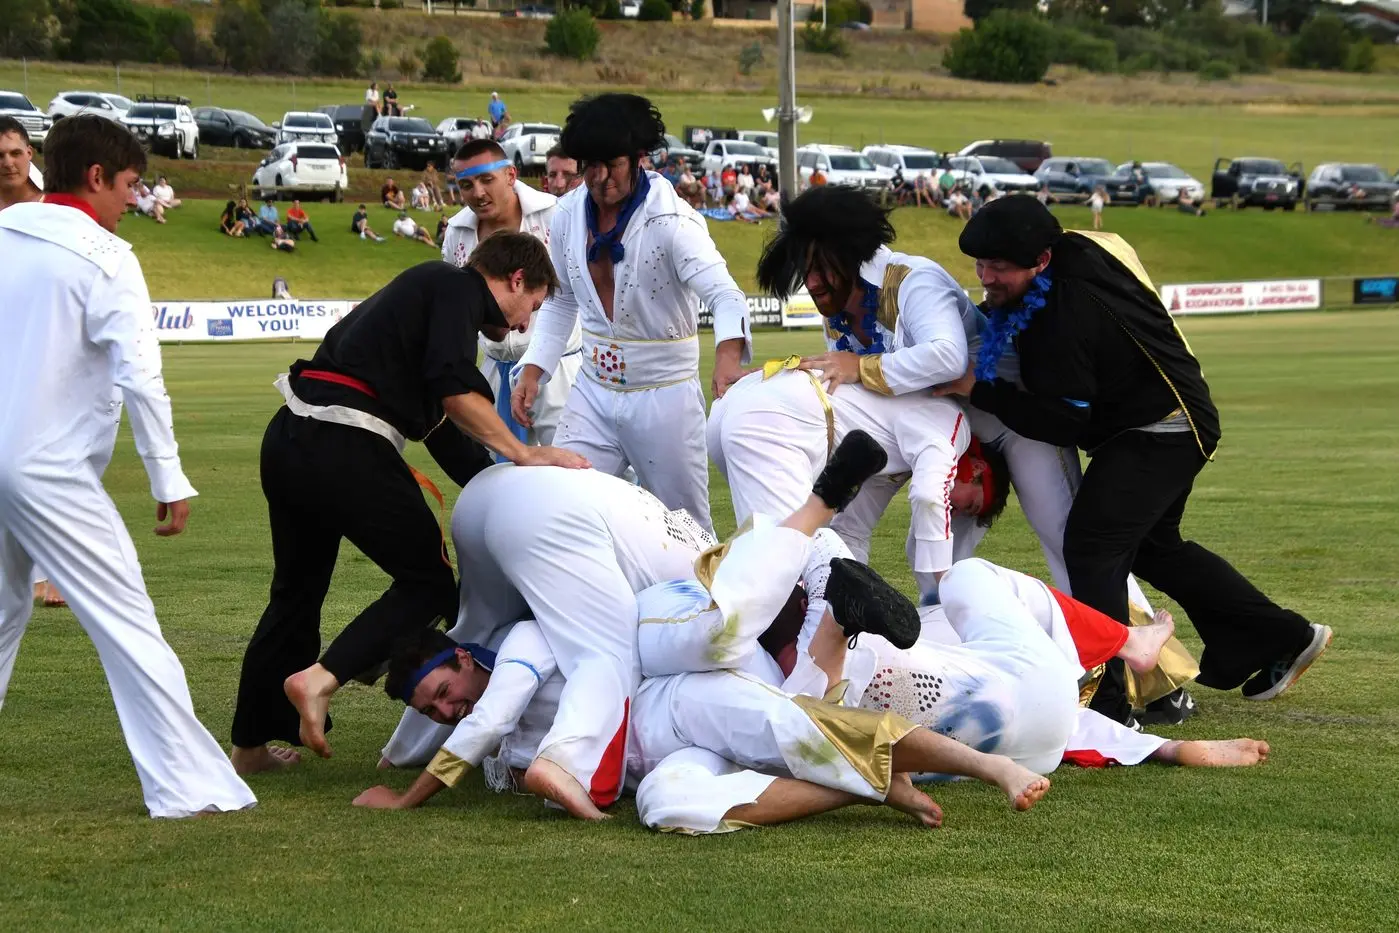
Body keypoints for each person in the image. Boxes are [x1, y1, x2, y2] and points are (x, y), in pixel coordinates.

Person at [946, 196, 1330, 721]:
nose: (986, 277)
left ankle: (1108, 699)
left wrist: (978, 389)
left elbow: (1062, 420)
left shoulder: (1063, 313)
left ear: (1041, 261)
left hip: (1159, 430)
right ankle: (1283, 635)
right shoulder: (1076, 248)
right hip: (1174, 416)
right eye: (981, 265)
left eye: (1000, 268)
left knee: (1089, 547)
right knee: (1153, 549)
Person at [229, 239, 590, 776]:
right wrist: (524, 452)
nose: (521, 326)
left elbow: (442, 430)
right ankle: (320, 680)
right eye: (532, 307)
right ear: (516, 279)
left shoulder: (427, 301)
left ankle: (250, 748)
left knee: (296, 593)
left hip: (289, 441)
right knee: (428, 581)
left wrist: (504, 479)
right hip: (342, 443)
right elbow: (453, 391)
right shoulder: (452, 286)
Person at [0, 115, 256, 819]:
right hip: (48, 470)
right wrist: (167, 478)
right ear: (96, 178)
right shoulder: (108, 257)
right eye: (131, 186)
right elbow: (142, 377)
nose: (132, 201)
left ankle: (185, 780)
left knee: (1, 612)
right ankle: (188, 786)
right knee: (127, 623)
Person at [511, 94, 752, 536]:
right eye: (589, 165)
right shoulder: (566, 214)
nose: (599, 178)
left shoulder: (673, 221)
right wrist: (534, 368)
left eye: (611, 164)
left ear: (639, 158)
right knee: (559, 506)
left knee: (686, 530)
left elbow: (726, 296)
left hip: (665, 397)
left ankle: (707, 605)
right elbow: (563, 297)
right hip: (592, 389)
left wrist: (728, 358)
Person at [791, 556, 1270, 777]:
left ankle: (1142, 694)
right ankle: (1130, 643)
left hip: (1013, 748)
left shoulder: (761, 683)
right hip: (1035, 720)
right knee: (966, 575)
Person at [754, 187, 980, 582]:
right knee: (843, 525)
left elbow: (948, 356)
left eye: (823, 268)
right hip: (913, 421)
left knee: (1053, 525)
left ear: (853, 257)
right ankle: (845, 629)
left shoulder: (914, 279)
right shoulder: (837, 310)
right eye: (805, 270)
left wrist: (861, 366)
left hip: (999, 419)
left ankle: (1116, 630)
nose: (813, 283)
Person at [708, 362, 991, 593]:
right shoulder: (955, 425)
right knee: (784, 578)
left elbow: (851, 531)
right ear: (978, 469)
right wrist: (941, 589)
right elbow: (930, 496)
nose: (955, 512)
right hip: (775, 419)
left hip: (747, 405)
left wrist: (854, 596)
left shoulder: (897, 455)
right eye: (971, 505)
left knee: (783, 570)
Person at [443, 140, 579, 454]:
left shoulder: (555, 215)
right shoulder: (457, 231)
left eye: (486, 180)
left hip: (558, 369)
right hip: (495, 368)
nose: (477, 193)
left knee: (576, 466)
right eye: (466, 185)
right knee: (500, 470)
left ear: (510, 175)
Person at [0, 119, 71, 610]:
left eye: (15, 153)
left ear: (30, 154)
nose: (7, 163)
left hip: (46, 348)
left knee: (48, 460)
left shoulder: (56, 209)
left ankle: (53, 572)